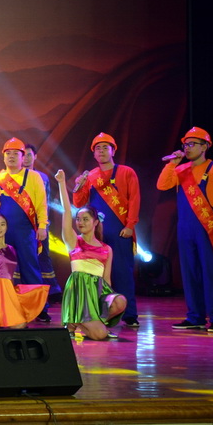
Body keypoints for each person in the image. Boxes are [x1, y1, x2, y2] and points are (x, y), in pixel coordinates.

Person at [71, 133, 140, 327]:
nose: (101, 151)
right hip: (97, 233)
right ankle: (98, 313)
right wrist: (79, 185)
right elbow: (79, 203)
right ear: (93, 154)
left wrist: (130, 225)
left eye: (105, 147)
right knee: (96, 274)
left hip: (120, 230)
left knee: (122, 272)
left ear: (113, 151)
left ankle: (129, 314)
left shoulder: (126, 172)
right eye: (97, 148)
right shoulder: (90, 176)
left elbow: (134, 199)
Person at [156, 127, 213, 332]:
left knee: (211, 273)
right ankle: (195, 316)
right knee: (189, 272)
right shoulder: (181, 170)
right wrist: (172, 164)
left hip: (208, 228)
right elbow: (162, 185)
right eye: (185, 144)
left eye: (192, 144)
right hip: (185, 228)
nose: (187, 148)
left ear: (205, 147)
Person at [56, 169, 126, 340]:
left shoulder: (106, 248)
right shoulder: (74, 242)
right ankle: (75, 322)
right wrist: (61, 183)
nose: (80, 222)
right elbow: (66, 211)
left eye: (85, 219)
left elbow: (106, 279)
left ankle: (87, 323)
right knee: (100, 335)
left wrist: (106, 299)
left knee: (120, 301)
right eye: (78, 219)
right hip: (79, 295)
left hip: (97, 295)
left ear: (95, 222)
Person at [0, 137, 50, 321]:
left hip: (25, 230)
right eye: (8, 153)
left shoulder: (34, 177)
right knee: (2, 270)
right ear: (3, 157)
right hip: (3, 232)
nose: (12, 156)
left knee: (30, 268)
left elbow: (41, 204)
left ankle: (39, 309)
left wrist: (42, 225)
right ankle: (5, 307)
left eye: (16, 153)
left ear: (23, 157)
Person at [0, 179, 48, 328]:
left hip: (8, 289)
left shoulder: (11, 248)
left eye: (2, 224)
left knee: (20, 325)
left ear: (7, 227)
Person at [24, 144, 63, 301]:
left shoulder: (42, 177)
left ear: (35, 156)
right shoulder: (13, 178)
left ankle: (49, 292)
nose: (26, 158)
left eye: (29, 155)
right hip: (22, 225)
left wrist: (43, 225)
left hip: (39, 224)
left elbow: (45, 203)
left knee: (43, 256)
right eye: (23, 155)